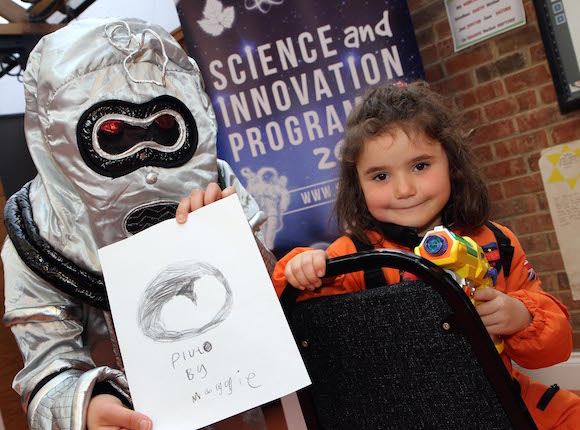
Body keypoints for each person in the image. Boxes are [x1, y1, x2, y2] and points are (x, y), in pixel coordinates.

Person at [2, 18, 274, 430]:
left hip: (235, 407)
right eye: (112, 132)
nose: (143, 153)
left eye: (164, 127)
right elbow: (44, 368)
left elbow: (275, 304)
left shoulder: (215, 183)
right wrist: (85, 409)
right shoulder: (40, 234)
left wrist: (239, 247)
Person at [271, 81, 580, 429]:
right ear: (358, 186)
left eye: (420, 166)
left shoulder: (495, 241)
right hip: (398, 416)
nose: (404, 190)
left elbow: (556, 346)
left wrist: (521, 316)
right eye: (381, 176)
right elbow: (302, 328)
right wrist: (301, 270)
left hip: (496, 400)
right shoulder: (352, 256)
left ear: (451, 162)